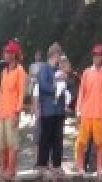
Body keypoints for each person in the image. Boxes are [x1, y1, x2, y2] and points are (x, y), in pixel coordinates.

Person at [74, 43, 102, 176]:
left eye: (99, 55)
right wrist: (78, 110)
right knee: (81, 142)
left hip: (99, 114)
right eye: (94, 55)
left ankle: (99, 168)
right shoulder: (87, 72)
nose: (96, 58)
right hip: (86, 112)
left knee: (100, 143)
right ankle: (80, 167)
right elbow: (81, 91)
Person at [34, 43, 67, 173]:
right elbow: (43, 86)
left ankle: (57, 165)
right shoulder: (44, 69)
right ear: (54, 55)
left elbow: (67, 86)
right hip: (47, 110)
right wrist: (56, 88)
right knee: (45, 138)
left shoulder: (60, 70)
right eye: (59, 55)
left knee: (58, 139)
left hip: (58, 110)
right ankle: (42, 164)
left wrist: (64, 82)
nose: (59, 59)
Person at [0, 40, 26, 177]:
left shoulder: (20, 72)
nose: (5, 54)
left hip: (12, 112)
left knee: (12, 142)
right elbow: (1, 92)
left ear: (14, 55)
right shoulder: (4, 71)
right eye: (5, 52)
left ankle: (11, 169)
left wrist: (17, 113)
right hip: (2, 111)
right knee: (1, 141)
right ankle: (3, 167)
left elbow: (21, 94)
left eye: (8, 52)